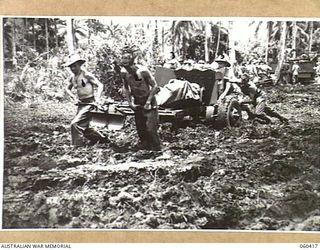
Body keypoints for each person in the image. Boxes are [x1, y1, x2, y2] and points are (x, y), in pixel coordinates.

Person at [120, 47, 161, 151]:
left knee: (150, 128)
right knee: (140, 127)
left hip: (149, 100)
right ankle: (145, 147)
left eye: (127, 58)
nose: (124, 61)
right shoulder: (124, 73)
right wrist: (130, 103)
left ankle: (157, 149)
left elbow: (155, 86)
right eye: (123, 58)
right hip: (137, 101)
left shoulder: (143, 71)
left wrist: (148, 102)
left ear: (132, 60)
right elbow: (126, 88)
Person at [65, 54, 108, 147]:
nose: (73, 68)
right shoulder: (72, 78)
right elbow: (67, 89)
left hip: (90, 103)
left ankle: (77, 147)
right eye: (71, 67)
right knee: (84, 127)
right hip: (81, 104)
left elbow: (100, 85)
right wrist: (73, 97)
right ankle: (102, 139)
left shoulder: (86, 75)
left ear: (79, 65)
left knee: (75, 124)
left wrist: (97, 99)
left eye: (74, 66)